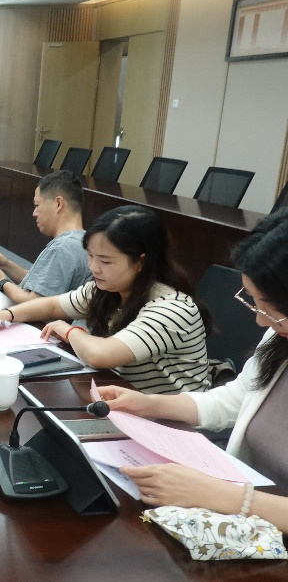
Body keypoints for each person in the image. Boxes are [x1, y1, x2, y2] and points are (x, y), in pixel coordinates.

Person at [95, 210, 288, 529]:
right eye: (254, 302)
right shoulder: (279, 336)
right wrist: (149, 404)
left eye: (272, 309)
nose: (260, 320)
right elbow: (233, 400)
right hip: (244, 518)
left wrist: (229, 497)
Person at [0, 205, 210, 395]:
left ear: (140, 262)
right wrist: (8, 315)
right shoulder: (109, 288)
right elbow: (53, 305)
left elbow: (99, 355)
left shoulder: (171, 309)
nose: (93, 267)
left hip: (172, 424)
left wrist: (69, 330)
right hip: (124, 398)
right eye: (91, 256)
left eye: (105, 261)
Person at [0, 170, 90, 303]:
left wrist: (0, 281)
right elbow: (43, 285)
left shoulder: (62, 248)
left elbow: (35, 303)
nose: (34, 213)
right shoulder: (83, 241)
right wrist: (6, 265)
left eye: (37, 205)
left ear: (58, 204)